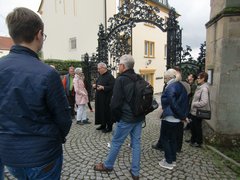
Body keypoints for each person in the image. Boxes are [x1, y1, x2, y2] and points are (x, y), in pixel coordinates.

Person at [0, 7, 72, 179]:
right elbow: (64, 118)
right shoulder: (47, 73)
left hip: (9, 154)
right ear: (39, 34)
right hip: (43, 155)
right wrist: (57, 138)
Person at [94, 54, 144, 180]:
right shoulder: (139, 78)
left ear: (123, 66)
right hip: (138, 117)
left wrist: (116, 118)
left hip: (126, 118)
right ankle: (135, 172)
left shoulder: (121, 79)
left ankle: (108, 165)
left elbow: (115, 103)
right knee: (136, 144)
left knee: (116, 142)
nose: (118, 67)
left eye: (119, 64)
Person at [159, 69, 188, 170]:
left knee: (165, 139)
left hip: (170, 117)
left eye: (165, 78)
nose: (164, 80)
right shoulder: (180, 85)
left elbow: (173, 104)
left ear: (169, 78)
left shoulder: (171, 86)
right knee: (173, 139)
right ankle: (173, 159)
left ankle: (169, 161)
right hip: (176, 118)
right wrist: (182, 116)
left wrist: (182, 116)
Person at [189, 72, 210, 147]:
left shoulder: (204, 88)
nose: (197, 79)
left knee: (197, 127)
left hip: (197, 111)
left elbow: (204, 102)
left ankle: (198, 142)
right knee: (193, 126)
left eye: (198, 78)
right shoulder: (200, 86)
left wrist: (194, 104)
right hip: (194, 111)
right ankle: (193, 139)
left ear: (203, 79)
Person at [93, 62, 115, 133]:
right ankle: (103, 124)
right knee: (100, 111)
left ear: (103, 68)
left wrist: (103, 87)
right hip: (100, 98)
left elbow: (113, 87)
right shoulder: (100, 76)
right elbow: (98, 84)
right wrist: (95, 86)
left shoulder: (110, 77)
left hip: (106, 98)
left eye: (99, 69)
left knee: (107, 112)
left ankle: (109, 127)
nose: (98, 70)